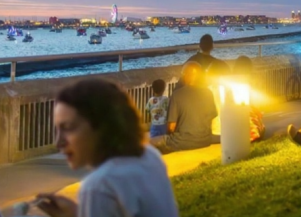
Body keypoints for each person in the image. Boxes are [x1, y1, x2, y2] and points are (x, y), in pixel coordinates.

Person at [35, 78, 179, 217]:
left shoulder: (99, 186)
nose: (58, 142)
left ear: (100, 127)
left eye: (68, 128)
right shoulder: (149, 156)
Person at [150, 62, 219, 154]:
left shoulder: (177, 95)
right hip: (204, 140)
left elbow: (171, 127)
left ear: (186, 75)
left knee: (147, 142)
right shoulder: (208, 93)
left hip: (181, 142)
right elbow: (212, 117)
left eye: (182, 74)